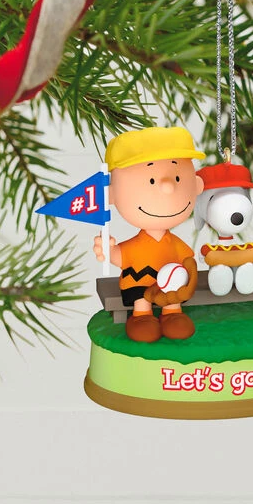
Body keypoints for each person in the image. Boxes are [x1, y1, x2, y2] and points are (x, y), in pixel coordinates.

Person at [93, 126, 205, 342]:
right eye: (151, 181)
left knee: (173, 297)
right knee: (140, 297)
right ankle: (141, 316)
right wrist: (107, 250)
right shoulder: (135, 246)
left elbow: (187, 259)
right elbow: (120, 257)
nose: (168, 187)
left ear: (197, 185)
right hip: (139, 284)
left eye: (178, 178)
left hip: (171, 289)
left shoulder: (174, 243)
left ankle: (172, 313)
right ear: (111, 195)